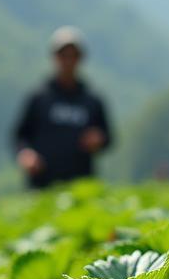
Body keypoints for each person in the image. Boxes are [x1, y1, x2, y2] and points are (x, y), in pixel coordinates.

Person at [13, 26, 112, 189]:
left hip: (81, 185)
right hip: (42, 184)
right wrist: (26, 154)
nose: (68, 61)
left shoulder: (92, 99)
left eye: (73, 56)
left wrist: (99, 139)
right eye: (63, 55)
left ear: (81, 59)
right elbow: (20, 136)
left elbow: (108, 136)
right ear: (54, 57)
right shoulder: (39, 97)